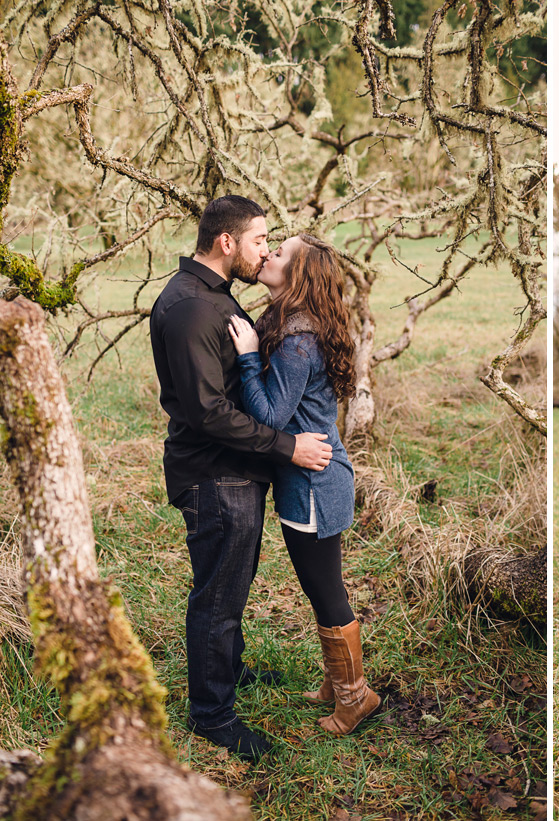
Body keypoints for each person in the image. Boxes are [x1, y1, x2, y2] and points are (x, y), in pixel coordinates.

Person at [150, 195, 333, 761]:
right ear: (226, 242)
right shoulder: (190, 309)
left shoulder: (213, 296)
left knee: (232, 584)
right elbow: (209, 411)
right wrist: (288, 448)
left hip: (235, 471)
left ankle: (225, 666)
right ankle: (213, 715)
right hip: (214, 475)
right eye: (259, 240)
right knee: (219, 596)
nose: (264, 250)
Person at [228, 233, 380, 736]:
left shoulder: (297, 341)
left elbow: (271, 414)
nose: (268, 254)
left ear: (298, 276)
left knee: (326, 590)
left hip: (314, 483)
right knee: (321, 589)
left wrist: (249, 356)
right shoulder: (296, 325)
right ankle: (338, 684)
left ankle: (355, 699)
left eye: (280, 253)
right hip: (315, 475)